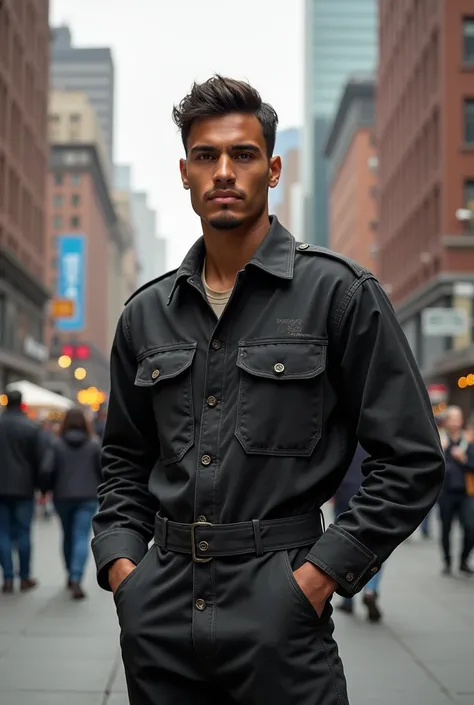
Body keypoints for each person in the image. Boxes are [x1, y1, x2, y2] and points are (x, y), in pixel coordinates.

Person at [91, 76, 445, 705]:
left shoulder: (339, 294)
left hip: (282, 614)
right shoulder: (145, 315)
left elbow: (412, 459)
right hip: (159, 616)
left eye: (243, 155)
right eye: (206, 156)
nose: (223, 171)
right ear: (184, 172)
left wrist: (317, 577)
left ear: (273, 168)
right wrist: (125, 570)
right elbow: (122, 459)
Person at [44, 407, 102, 599]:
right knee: (80, 537)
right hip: (87, 496)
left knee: (67, 535)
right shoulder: (93, 444)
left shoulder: (57, 444)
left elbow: (47, 469)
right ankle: (76, 575)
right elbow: (103, 470)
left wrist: (45, 489)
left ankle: (70, 572)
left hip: (62, 496)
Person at [0, 390, 45, 593]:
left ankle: (8, 577)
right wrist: (41, 486)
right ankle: (24, 576)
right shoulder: (31, 427)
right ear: (22, 404)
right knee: (24, 533)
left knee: (3, 533)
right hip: (24, 487)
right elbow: (40, 461)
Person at [333, 445, 383, 622]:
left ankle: (348, 597)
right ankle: (370, 590)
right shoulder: (380, 433)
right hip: (373, 495)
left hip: (344, 492)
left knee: (345, 545)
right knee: (375, 547)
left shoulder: (344, 431)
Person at [438, 406, 474, 576]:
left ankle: (464, 560)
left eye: (458, 418)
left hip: (466, 492)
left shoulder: (469, 441)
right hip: (445, 492)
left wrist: (464, 459)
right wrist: (442, 451)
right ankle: (447, 561)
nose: (455, 422)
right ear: (447, 421)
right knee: (446, 529)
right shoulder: (439, 439)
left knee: (470, 528)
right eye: (452, 418)